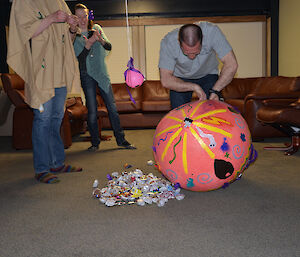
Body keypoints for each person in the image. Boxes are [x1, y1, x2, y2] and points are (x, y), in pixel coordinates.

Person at [7, 0, 83, 184]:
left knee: (57, 117)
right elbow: (24, 33)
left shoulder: (59, 2)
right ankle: (41, 169)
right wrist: (51, 18)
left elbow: (69, 40)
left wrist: (72, 28)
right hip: (40, 72)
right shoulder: (23, 2)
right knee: (43, 119)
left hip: (60, 71)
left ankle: (56, 163)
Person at [72, 3, 136, 152]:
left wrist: (99, 39)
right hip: (86, 75)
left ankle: (121, 140)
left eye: (84, 16)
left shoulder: (97, 28)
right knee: (92, 110)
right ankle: (95, 143)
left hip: (102, 74)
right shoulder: (74, 35)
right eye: (79, 16)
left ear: (89, 16)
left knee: (112, 108)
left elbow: (108, 47)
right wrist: (89, 43)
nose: (82, 19)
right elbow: (80, 59)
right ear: (75, 18)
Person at [159, 22, 238, 109]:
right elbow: (166, 80)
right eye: (186, 53)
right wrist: (194, 87)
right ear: (179, 42)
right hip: (180, 78)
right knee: (179, 114)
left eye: (196, 52)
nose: (192, 57)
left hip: (208, 74)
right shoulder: (168, 42)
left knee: (212, 111)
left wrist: (215, 90)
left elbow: (231, 64)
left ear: (202, 40)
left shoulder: (212, 32)